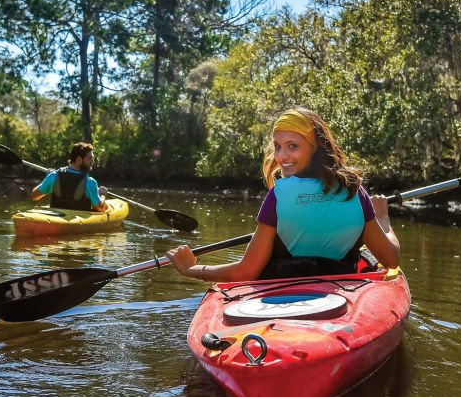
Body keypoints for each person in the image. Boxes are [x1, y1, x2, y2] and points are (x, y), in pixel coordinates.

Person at [167, 106, 400, 282]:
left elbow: (247, 271)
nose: (281, 156)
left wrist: (193, 269)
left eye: (293, 146)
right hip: (339, 291)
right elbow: (391, 260)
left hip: (280, 290)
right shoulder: (354, 191)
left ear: (315, 146)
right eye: (278, 146)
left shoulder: (278, 196)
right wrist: (383, 220)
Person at [32, 142, 108, 213]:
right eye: (90, 158)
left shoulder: (53, 176)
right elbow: (99, 208)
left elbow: (34, 196)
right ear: (79, 159)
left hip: (56, 219)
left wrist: (47, 178)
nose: (93, 162)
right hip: (78, 223)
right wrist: (102, 194)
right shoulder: (90, 182)